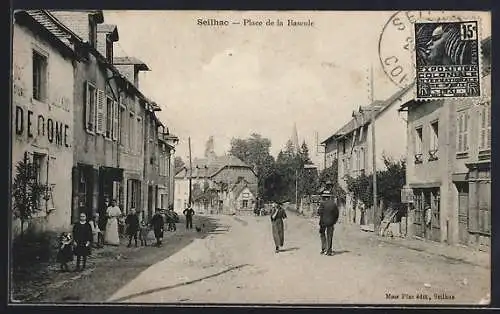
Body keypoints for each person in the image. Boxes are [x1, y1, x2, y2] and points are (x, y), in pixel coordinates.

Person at [318, 190, 339, 256]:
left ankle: (324, 249)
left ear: (324, 197)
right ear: (329, 197)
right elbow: (336, 214)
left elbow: (319, 212)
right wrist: (334, 221)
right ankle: (329, 251)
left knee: (322, 235)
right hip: (331, 223)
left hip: (323, 222)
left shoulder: (322, 204)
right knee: (330, 236)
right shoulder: (333, 204)